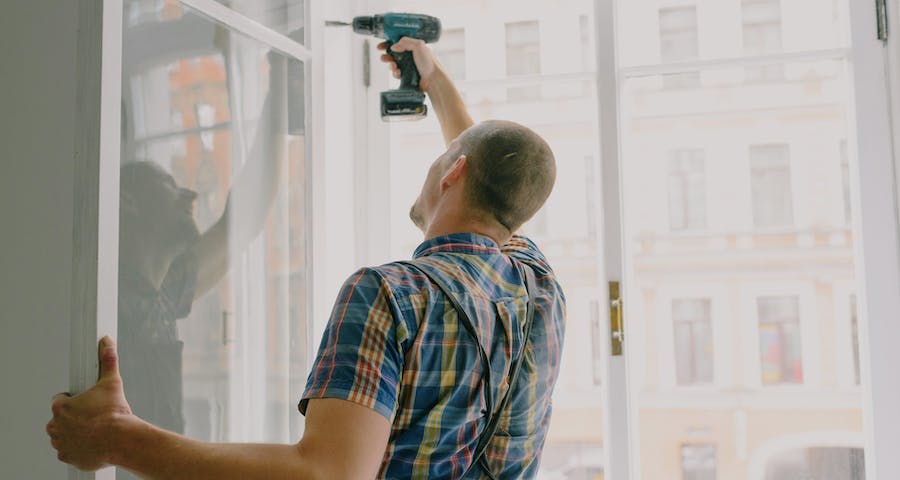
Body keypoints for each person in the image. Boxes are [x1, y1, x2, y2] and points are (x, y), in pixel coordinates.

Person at [47, 37, 565, 479]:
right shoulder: (541, 288)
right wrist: (433, 81)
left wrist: (119, 441)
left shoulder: (392, 295)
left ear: (451, 175)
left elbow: (329, 474)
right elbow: (501, 187)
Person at [114, 52, 287, 442]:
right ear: (128, 201)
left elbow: (241, 221)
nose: (189, 193)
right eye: (168, 184)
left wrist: (280, 87)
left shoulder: (162, 291)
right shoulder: (107, 303)